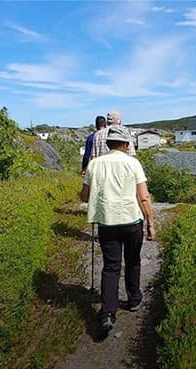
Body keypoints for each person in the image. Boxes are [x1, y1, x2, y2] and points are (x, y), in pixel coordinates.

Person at [79, 126, 155, 333]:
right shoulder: (133, 163)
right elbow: (144, 197)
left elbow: (85, 196)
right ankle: (134, 300)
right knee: (133, 262)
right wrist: (150, 223)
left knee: (111, 267)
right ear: (126, 144)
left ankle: (108, 313)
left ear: (108, 143)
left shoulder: (94, 164)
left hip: (107, 223)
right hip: (131, 221)